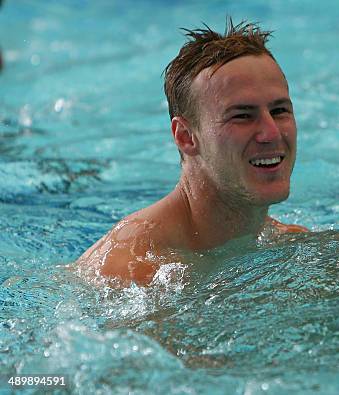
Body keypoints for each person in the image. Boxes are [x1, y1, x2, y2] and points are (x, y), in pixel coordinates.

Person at [77, 20, 307, 285]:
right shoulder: (132, 269)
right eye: (242, 116)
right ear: (186, 137)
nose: (272, 133)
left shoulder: (285, 242)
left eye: (279, 111)